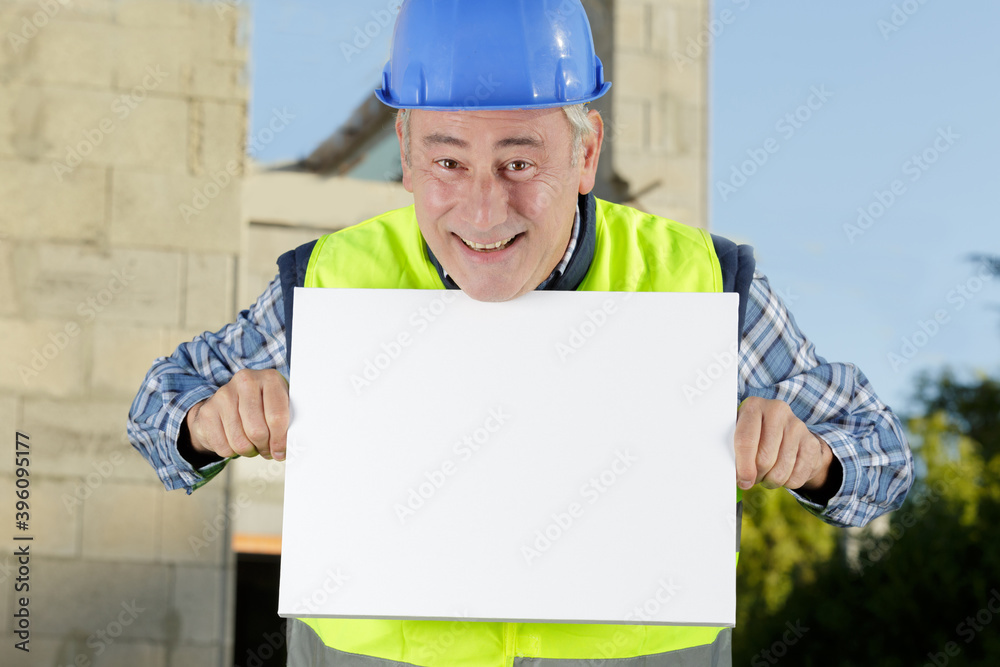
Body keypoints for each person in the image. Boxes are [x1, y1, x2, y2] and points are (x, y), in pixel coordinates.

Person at [127, 1, 913, 665]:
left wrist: (812, 458)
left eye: (518, 162)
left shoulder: (701, 283)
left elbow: (881, 453)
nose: (481, 212)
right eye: (447, 162)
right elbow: (155, 412)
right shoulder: (331, 282)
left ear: (585, 153)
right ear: (404, 155)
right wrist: (208, 422)